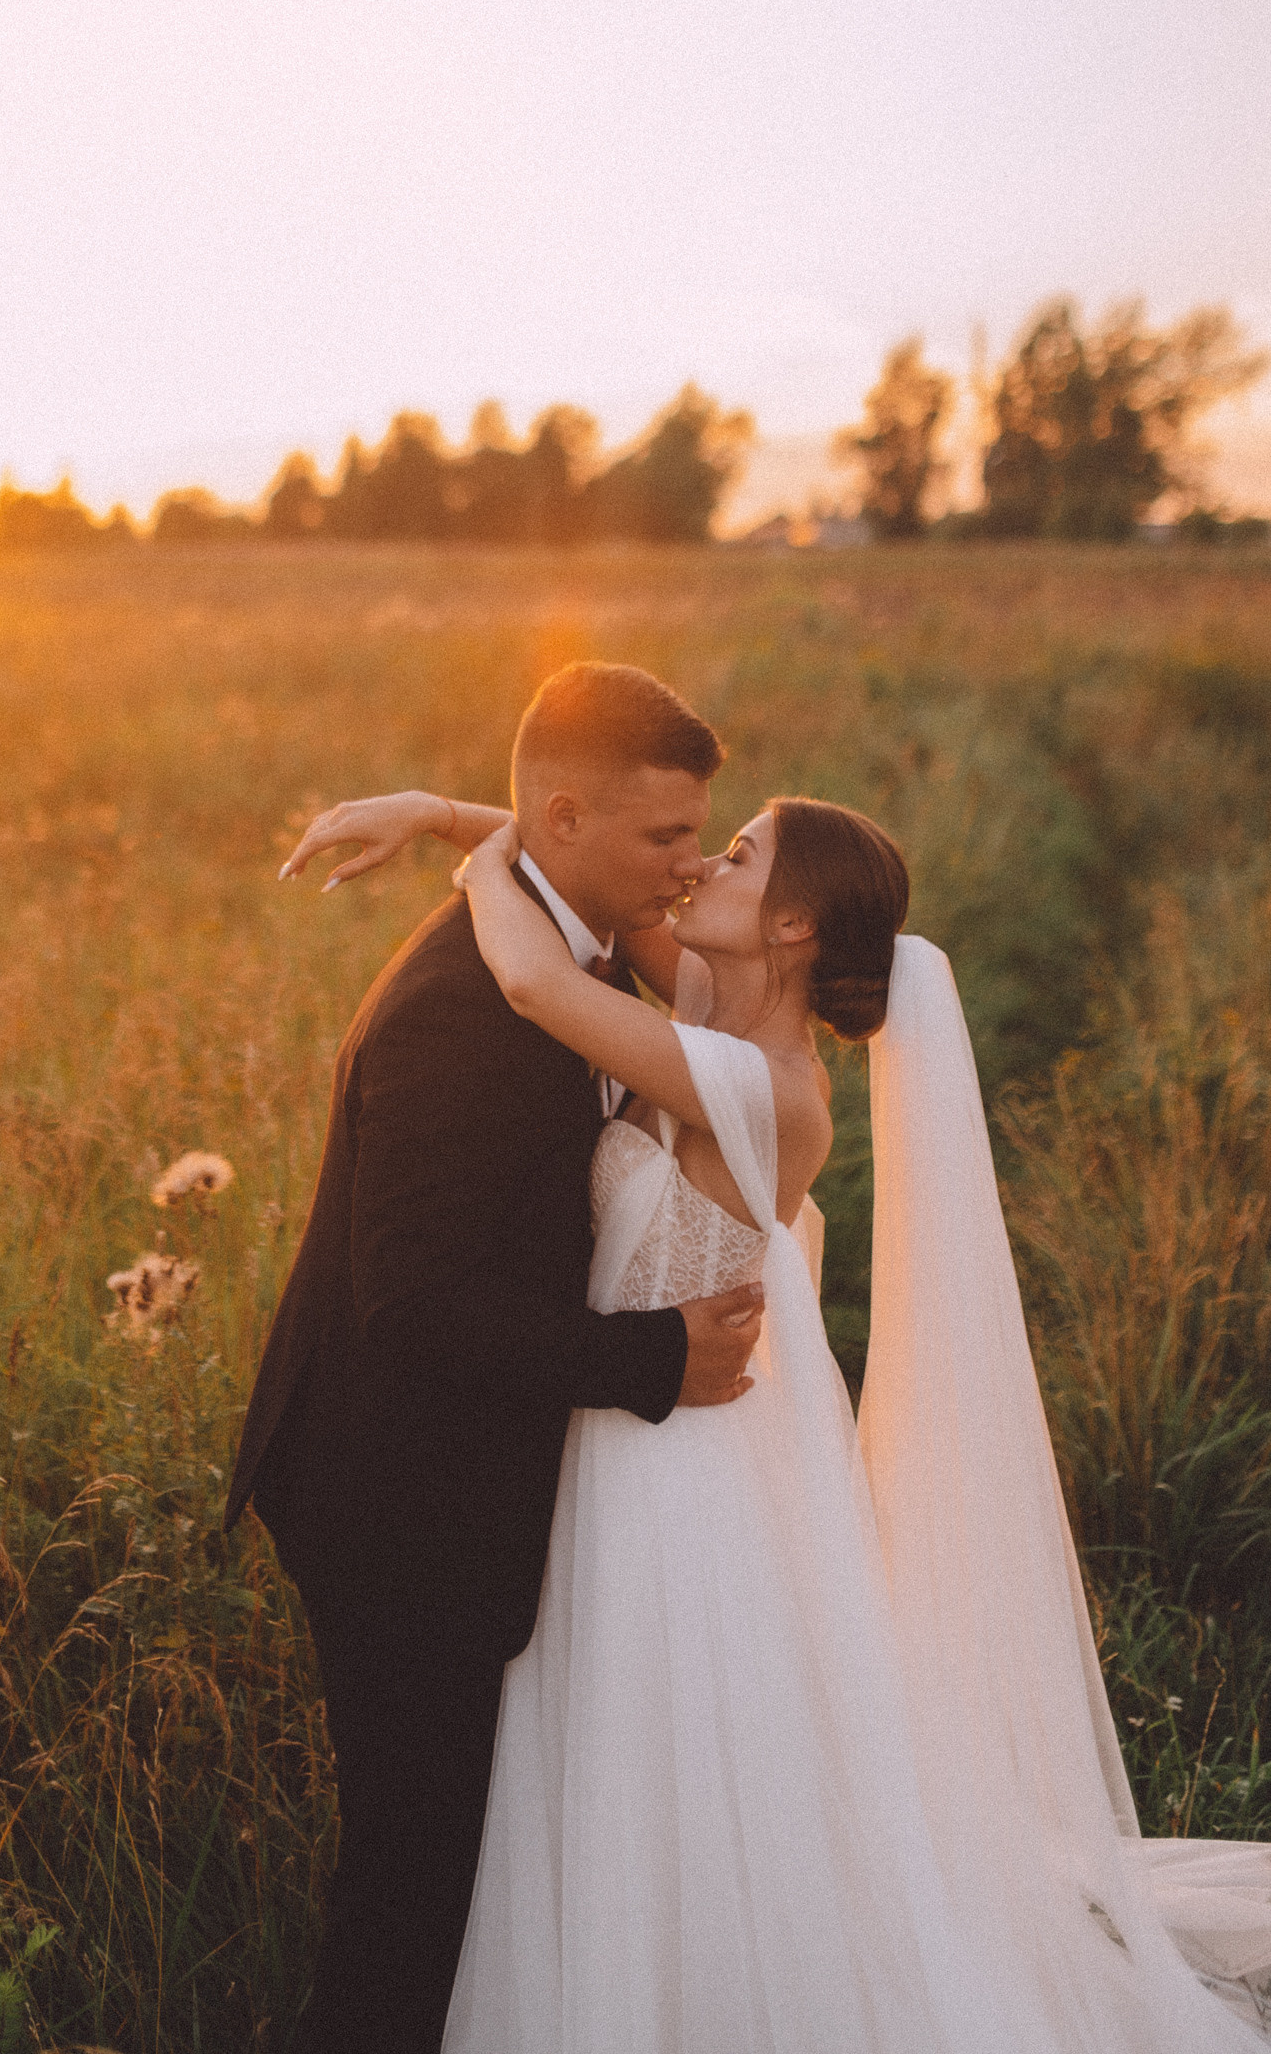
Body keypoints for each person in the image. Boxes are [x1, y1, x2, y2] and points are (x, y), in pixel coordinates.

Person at [284, 767, 1271, 2049]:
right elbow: (584, 874)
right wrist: (435, 812)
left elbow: (536, 978)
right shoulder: (706, 1001)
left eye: (735, 854)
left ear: (794, 926)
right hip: (611, 1429)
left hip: (669, 1479)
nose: (698, 868)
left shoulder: (763, 1088)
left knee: (659, 1751)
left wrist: (472, 864)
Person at [226, 664, 765, 2054]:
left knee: (462, 1864)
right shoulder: (466, 1014)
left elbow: (561, 849)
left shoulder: (563, 930)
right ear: (569, 822)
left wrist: (443, 810)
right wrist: (655, 1359)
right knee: (416, 1875)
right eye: (665, 841)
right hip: (397, 1500)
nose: (691, 865)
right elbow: (409, 1308)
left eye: (704, 836)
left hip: (457, 1477)